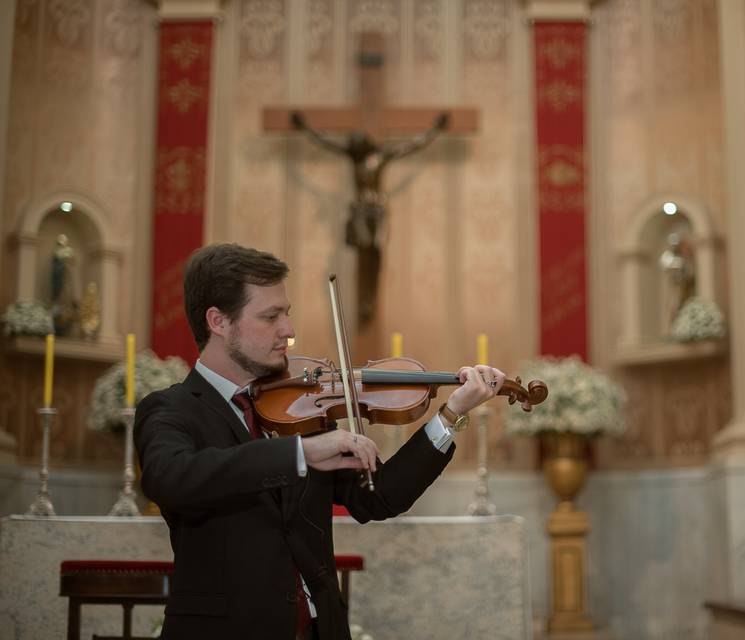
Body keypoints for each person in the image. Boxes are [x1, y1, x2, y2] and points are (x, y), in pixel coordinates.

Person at [134, 243, 504, 639]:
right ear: (218, 321)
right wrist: (298, 453)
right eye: (270, 316)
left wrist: (450, 415)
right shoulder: (171, 410)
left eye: (287, 314)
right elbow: (171, 478)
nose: (288, 331)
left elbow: (377, 498)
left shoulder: (299, 408)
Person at [290, 111, 450, 325]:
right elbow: (325, 142)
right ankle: (365, 300)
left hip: (377, 211)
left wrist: (435, 130)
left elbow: (412, 145)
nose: (355, 146)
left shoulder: (380, 157)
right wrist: (305, 127)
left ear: (366, 143)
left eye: (358, 142)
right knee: (363, 254)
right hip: (360, 211)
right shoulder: (352, 157)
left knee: (375, 254)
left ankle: (369, 299)